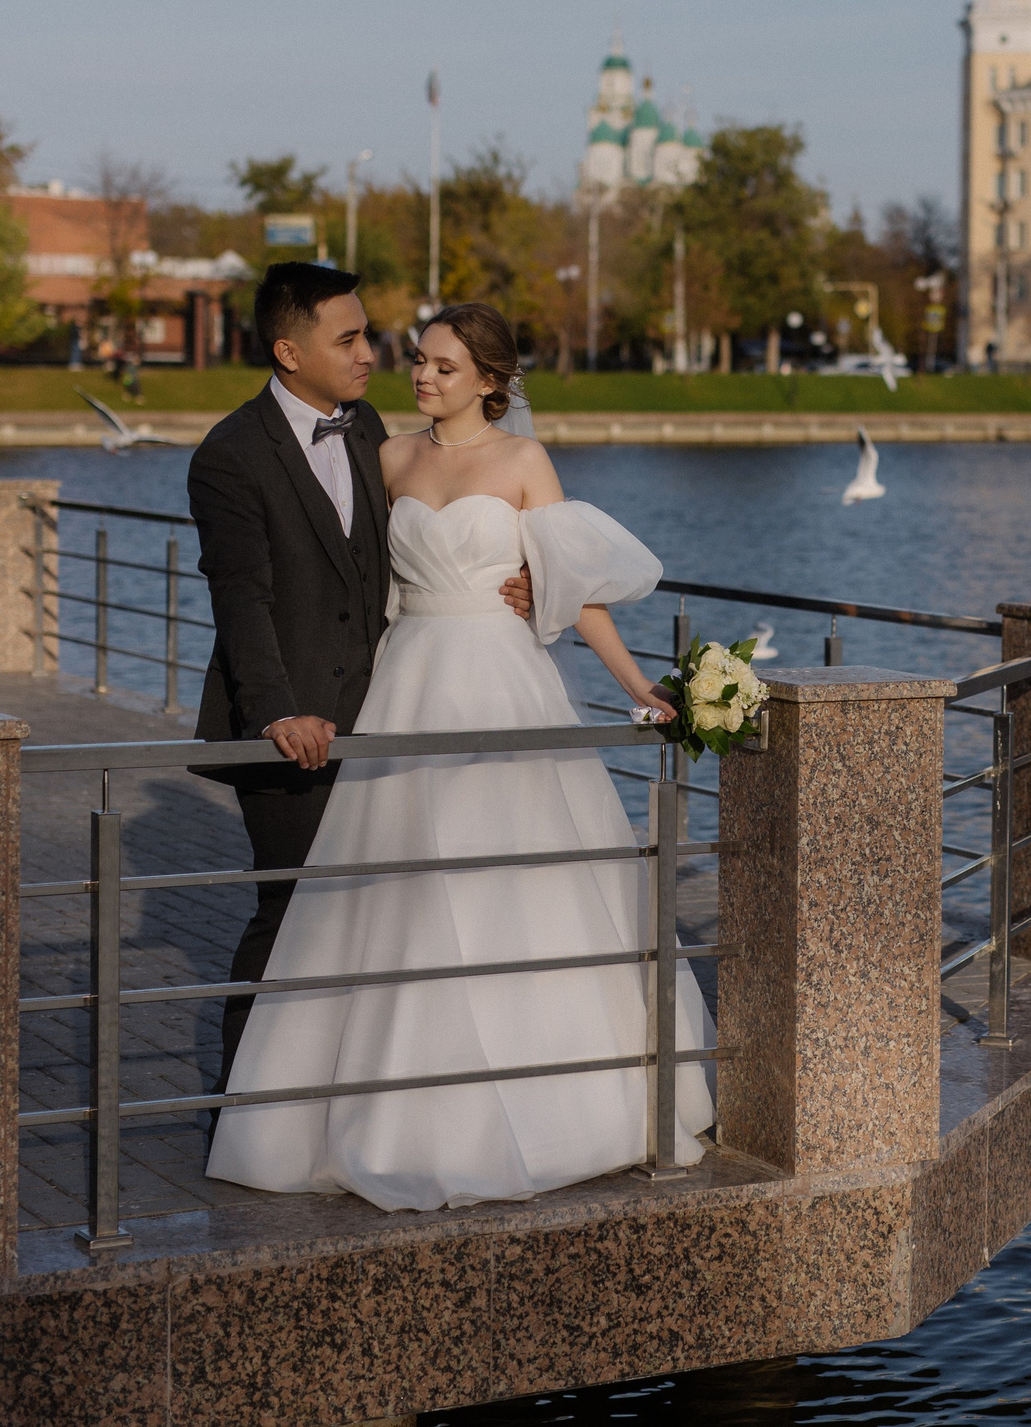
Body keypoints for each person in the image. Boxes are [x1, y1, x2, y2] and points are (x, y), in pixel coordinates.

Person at [206, 301, 714, 1209]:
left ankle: (552, 1103)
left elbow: (578, 591)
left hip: (502, 684)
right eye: (420, 361)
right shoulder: (388, 456)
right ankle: (376, 1112)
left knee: (517, 882)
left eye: (444, 365)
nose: (422, 376)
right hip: (407, 684)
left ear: (489, 379)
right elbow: (349, 573)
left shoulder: (524, 462)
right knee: (399, 886)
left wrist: (637, 686)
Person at [187, 264, 533, 1096]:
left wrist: (522, 584)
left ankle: (347, 1096)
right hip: (290, 732)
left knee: (380, 919)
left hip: (383, 714)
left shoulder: (372, 426)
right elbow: (243, 600)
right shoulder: (228, 456)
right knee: (293, 913)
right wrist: (277, 714)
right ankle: (246, 1106)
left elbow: (408, 555)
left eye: (368, 333)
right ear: (288, 350)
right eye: (347, 339)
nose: (371, 353)